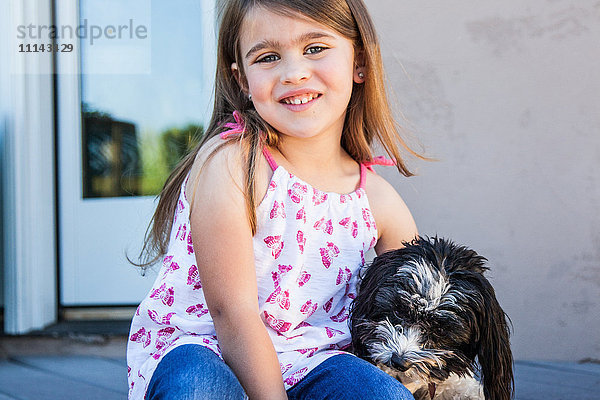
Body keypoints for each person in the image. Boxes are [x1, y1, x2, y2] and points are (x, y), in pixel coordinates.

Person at [127, 0, 424, 398]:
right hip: (206, 348)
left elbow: (416, 311)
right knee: (197, 388)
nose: (294, 72)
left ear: (360, 61)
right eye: (268, 57)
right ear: (243, 81)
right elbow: (232, 314)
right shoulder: (233, 162)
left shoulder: (378, 203)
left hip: (315, 360)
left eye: (315, 48)